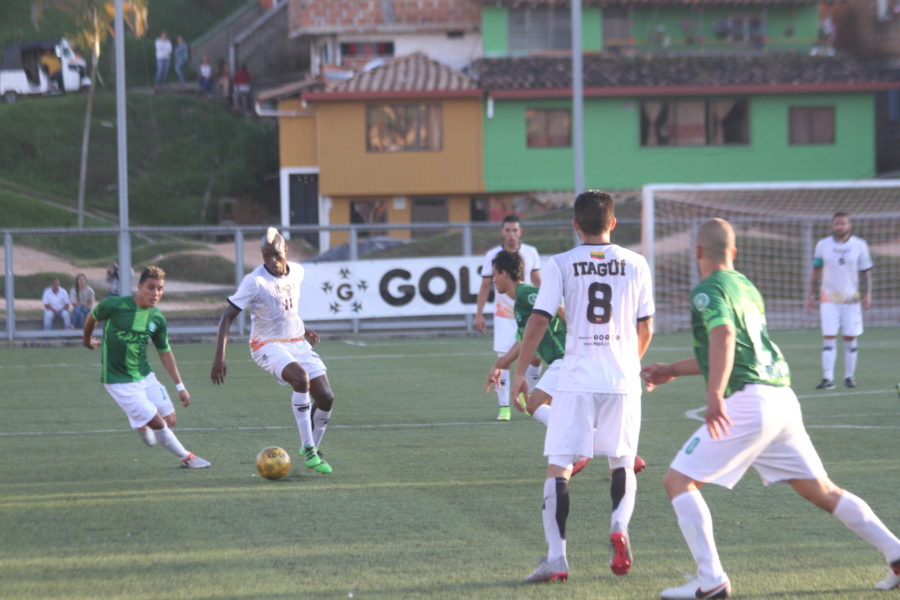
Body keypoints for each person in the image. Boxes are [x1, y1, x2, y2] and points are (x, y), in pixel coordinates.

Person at [641, 218, 899, 599]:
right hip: (781, 399)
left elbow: (724, 338)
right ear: (735, 252)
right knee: (823, 491)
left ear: (697, 252)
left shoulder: (707, 291)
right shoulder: (745, 286)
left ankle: (710, 580)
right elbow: (729, 350)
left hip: (750, 402)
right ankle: (896, 552)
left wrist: (714, 397)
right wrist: (672, 370)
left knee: (677, 481)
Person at [511, 190, 654, 583]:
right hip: (621, 377)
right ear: (613, 223)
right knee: (622, 461)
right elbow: (646, 328)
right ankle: (619, 528)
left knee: (559, 465)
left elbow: (539, 320)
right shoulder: (637, 263)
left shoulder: (560, 264)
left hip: (576, 377)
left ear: (575, 225)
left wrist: (521, 371)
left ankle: (557, 559)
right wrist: (630, 364)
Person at [484, 249, 648, 478]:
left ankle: (589, 447)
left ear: (504, 273)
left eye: (495, 275)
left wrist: (582, 336)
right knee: (563, 412)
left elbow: (558, 311)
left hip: (566, 357)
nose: (493, 280)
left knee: (535, 405)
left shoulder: (526, 293)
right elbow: (524, 340)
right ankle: (624, 454)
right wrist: (500, 364)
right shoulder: (519, 300)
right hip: (564, 359)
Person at [211, 227, 335, 474]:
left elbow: (287, 309)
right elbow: (227, 317)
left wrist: (304, 329)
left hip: (296, 342)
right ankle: (309, 450)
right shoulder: (255, 281)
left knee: (326, 398)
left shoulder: (297, 271)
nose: (271, 261)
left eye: (276, 255)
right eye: (266, 256)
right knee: (301, 379)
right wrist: (219, 357)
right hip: (266, 345)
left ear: (286, 250)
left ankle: (310, 448)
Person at [82, 266, 210, 469]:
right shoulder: (115, 305)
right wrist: (87, 340)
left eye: (160, 289)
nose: (155, 293)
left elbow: (165, 352)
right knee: (158, 423)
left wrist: (180, 387)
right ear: (140, 286)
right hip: (118, 381)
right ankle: (188, 458)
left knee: (170, 419)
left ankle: (142, 424)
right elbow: (92, 317)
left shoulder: (157, 318)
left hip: (144, 375)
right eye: (151, 287)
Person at [474, 214, 543, 421]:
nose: (511, 234)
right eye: (507, 230)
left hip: (528, 313)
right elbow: (486, 284)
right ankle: (504, 407)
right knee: (503, 358)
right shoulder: (493, 255)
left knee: (535, 357)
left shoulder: (530, 253)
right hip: (504, 315)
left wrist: (544, 305)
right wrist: (479, 313)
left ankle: (528, 395)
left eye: (515, 230)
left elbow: (537, 280)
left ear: (520, 232)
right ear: (502, 232)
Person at [805, 211, 873, 390]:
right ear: (832, 226)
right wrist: (810, 296)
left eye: (843, 223)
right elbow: (815, 271)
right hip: (828, 299)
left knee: (850, 338)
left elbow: (866, 272)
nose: (840, 226)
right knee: (829, 338)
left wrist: (868, 294)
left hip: (851, 300)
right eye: (837, 223)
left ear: (849, 226)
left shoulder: (860, 245)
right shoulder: (822, 245)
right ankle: (827, 379)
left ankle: (849, 377)